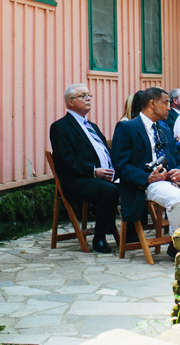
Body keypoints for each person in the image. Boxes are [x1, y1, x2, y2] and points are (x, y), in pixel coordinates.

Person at [111, 87, 180, 258]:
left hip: (170, 181)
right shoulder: (127, 128)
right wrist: (148, 177)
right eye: (166, 102)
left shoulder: (164, 130)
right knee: (179, 199)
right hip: (143, 184)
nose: (169, 107)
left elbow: (176, 160)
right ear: (152, 104)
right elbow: (121, 166)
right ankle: (179, 246)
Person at [49, 83, 120, 253]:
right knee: (110, 191)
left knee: (133, 181)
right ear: (70, 102)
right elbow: (67, 160)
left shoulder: (92, 126)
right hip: (78, 179)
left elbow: (106, 152)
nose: (88, 99)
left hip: (103, 176)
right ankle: (100, 237)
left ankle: (131, 234)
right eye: (83, 96)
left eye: (89, 95)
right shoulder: (60, 127)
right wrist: (93, 171)